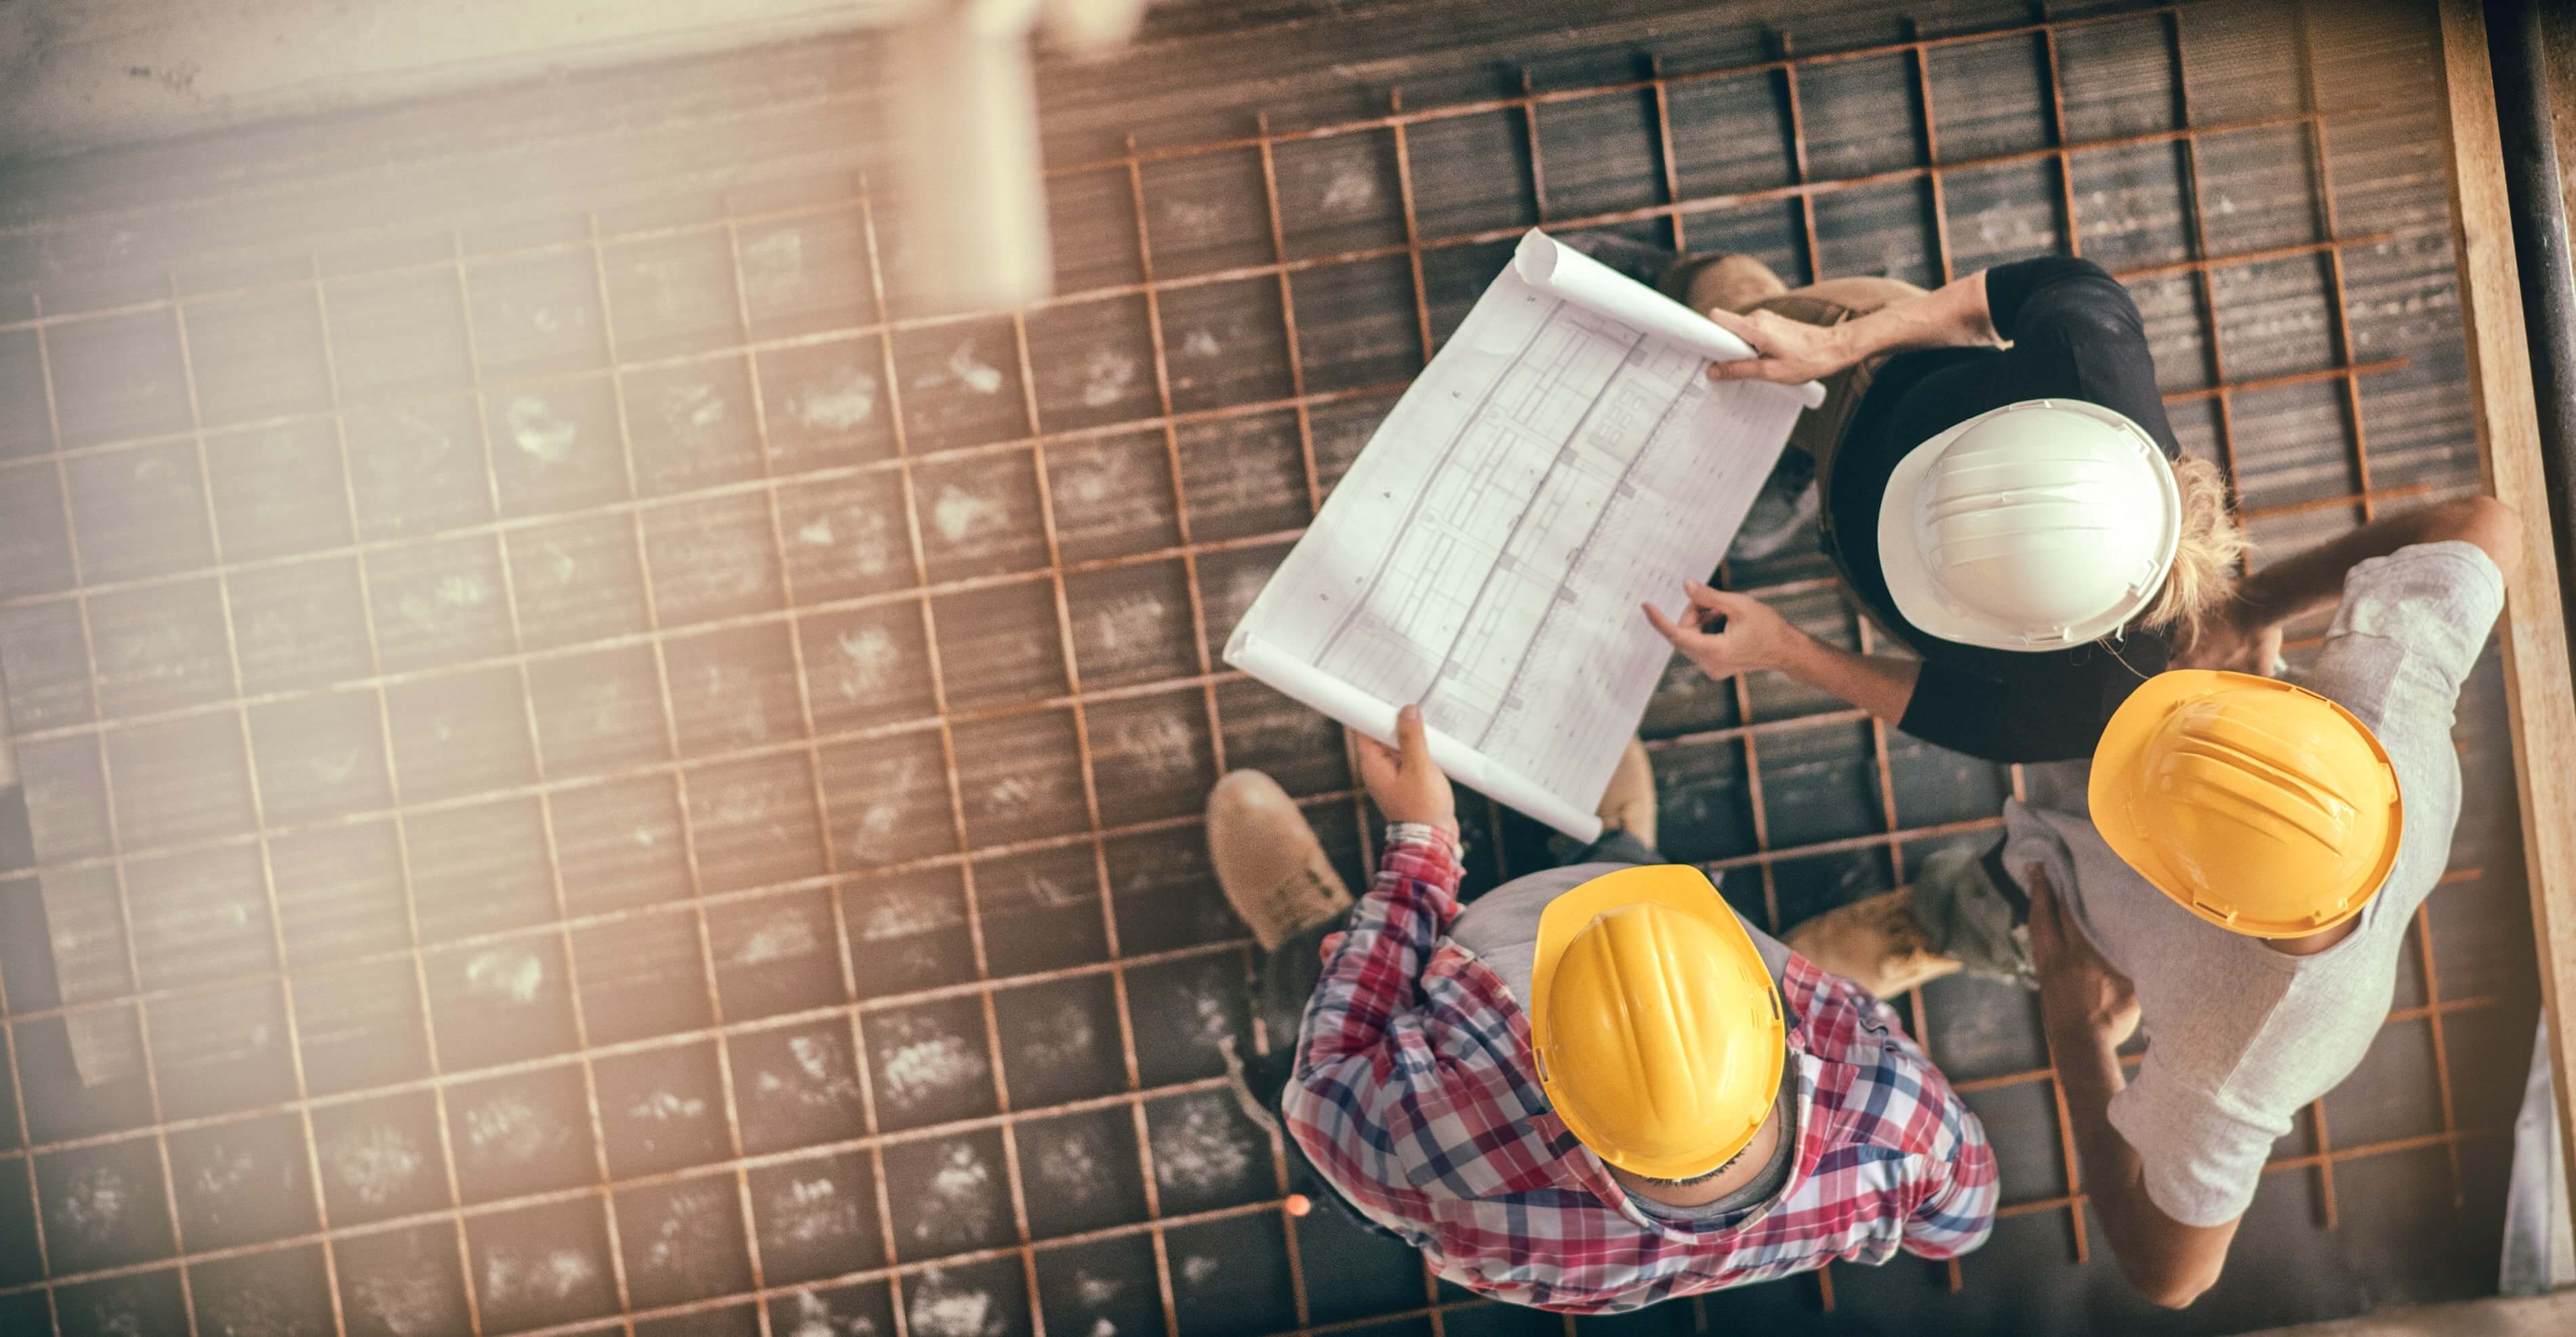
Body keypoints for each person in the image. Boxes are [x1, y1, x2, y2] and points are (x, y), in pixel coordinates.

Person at [1787, 495, 2524, 1306]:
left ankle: (1936, 924)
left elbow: (2173, 1272)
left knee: (1998, 910)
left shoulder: (2239, 1054)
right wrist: (2248, 610)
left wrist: (2078, 1037)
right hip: (2179, 781)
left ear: (2192, 899)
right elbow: (2482, 525)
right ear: (2316, 722)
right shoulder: (2387, 708)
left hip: (2075, 914)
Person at [1204, 709, 1996, 1313]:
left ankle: (1309, 932)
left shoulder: (1441, 1158)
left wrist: (1421, 843)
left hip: (1432, 983)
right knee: (1630, 872)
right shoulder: (1897, 1120)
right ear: (1776, 1030)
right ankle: (1620, 855)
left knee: (1316, 988)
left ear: (1542, 1069)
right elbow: (1957, 1226)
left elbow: (1325, 1085)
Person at [1564, 241, 2245, 769]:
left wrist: (1784, 650)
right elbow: (2015, 291)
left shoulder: (2088, 704)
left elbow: (1942, 706)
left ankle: (1792, 475)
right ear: (2036, 414)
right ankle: (1686, 275)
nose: (1911, 520)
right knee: (1732, 316)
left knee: (1744, 427)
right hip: (1866, 366)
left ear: (2039, 635)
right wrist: (1829, 343)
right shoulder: (2087, 351)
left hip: (1857, 506)